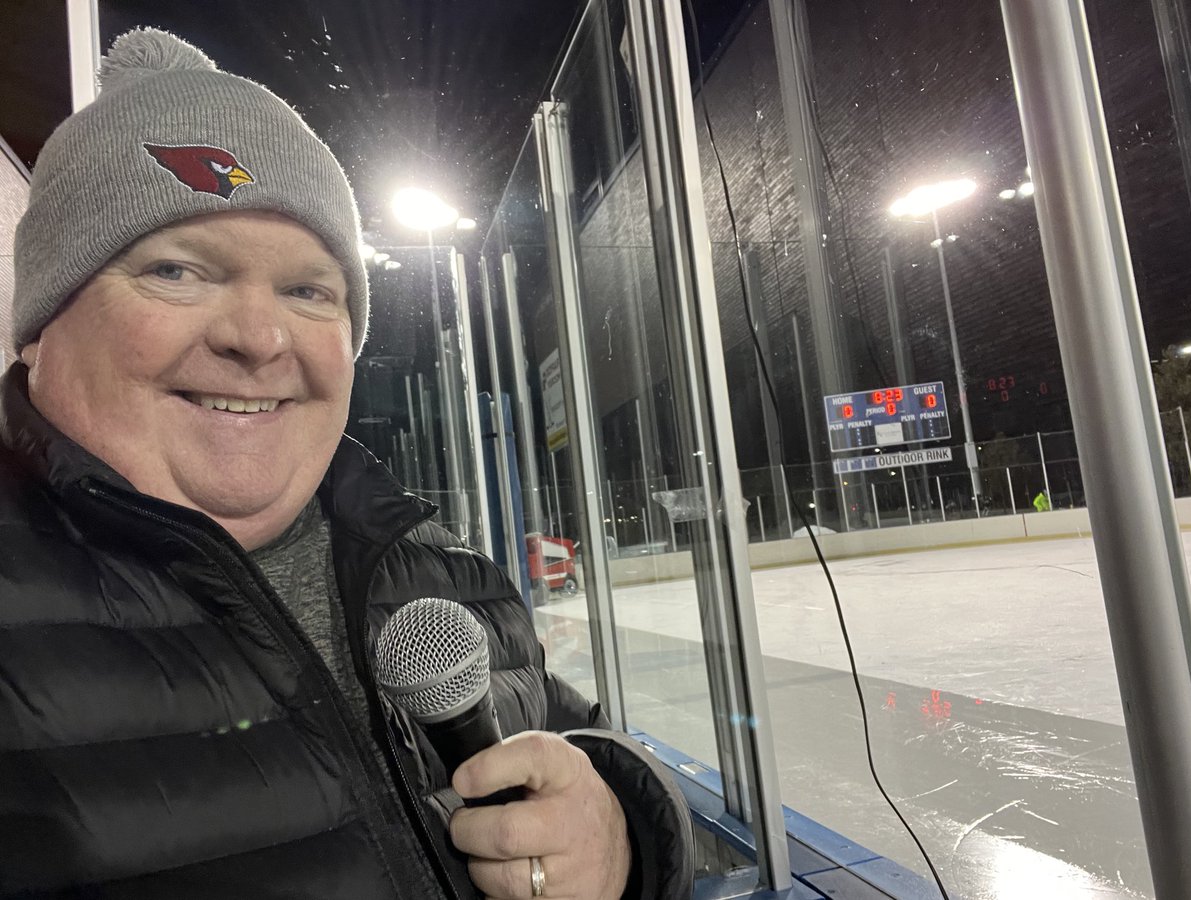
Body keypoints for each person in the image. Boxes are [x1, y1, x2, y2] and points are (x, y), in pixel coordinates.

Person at [0, 29, 693, 899]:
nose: (258, 339)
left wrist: (622, 825)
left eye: (307, 290)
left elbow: (573, 741)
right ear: (39, 332)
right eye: (176, 270)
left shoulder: (430, 561)